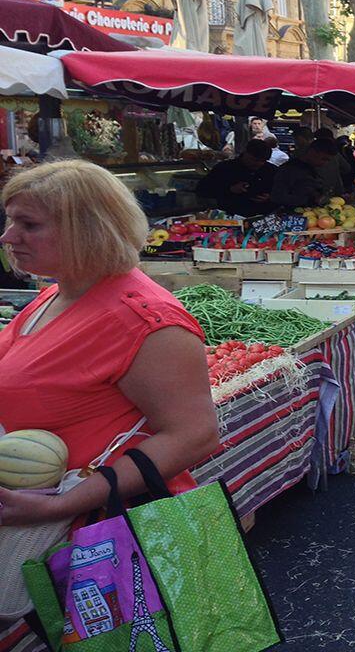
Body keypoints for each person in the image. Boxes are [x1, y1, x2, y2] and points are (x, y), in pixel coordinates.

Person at [0, 162, 218, 647]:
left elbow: (195, 434)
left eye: (29, 224)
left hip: (102, 537)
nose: (8, 236)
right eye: (10, 220)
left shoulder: (145, 318)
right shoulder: (55, 294)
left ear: (87, 228)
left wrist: (66, 502)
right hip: (47, 522)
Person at [195, 138, 277, 216]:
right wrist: (229, 189)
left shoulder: (272, 171)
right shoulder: (225, 168)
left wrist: (271, 198)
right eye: (255, 160)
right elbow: (202, 189)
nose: (259, 164)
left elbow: (284, 194)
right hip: (230, 215)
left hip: (263, 216)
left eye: (263, 161)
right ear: (246, 153)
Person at [272, 137, 338, 208]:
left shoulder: (312, 168)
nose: (325, 163)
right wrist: (309, 200)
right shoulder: (289, 170)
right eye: (324, 159)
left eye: (328, 160)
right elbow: (278, 197)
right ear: (312, 152)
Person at [312, 127, 352, 197]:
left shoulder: (333, 152)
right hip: (333, 190)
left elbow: (347, 168)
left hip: (323, 192)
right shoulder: (336, 153)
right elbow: (346, 168)